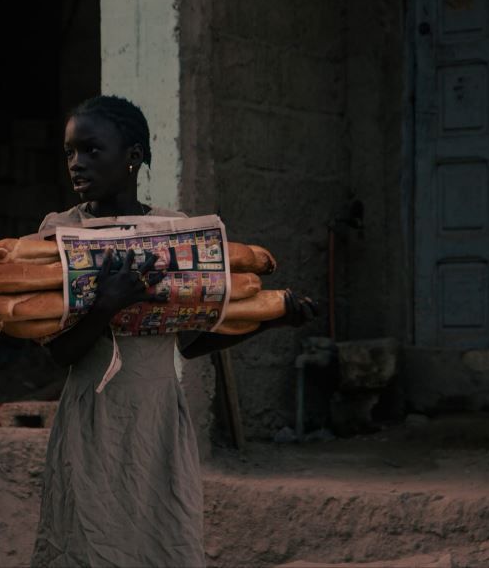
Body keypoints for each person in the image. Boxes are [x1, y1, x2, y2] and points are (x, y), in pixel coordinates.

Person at [31, 95, 315, 567]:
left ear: (134, 157)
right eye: (69, 153)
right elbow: (61, 354)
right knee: (86, 543)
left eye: (91, 150)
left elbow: (191, 341)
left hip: (159, 422)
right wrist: (105, 305)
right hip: (91, 422)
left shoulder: (176, 233)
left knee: (163, 542)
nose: (76, 164)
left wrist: (272, 320)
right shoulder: (58, 234)